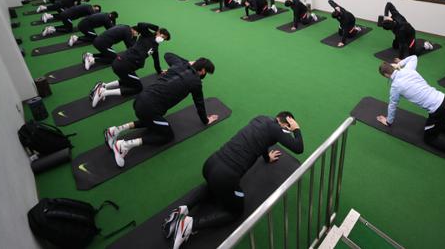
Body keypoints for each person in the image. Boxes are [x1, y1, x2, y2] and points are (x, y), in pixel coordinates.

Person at [161, 112, 304, 249]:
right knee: (236, 211)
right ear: (286, 124)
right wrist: (296, 129)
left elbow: (261, 142)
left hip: (211, 164)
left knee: (212, 186)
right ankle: (189, 224)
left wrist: (267, 158)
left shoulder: (261, 119)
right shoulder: (277, 129)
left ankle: (180, 211)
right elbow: (298, 148)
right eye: (287, 127)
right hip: (225, 177)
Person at [104, 54, 218, 168]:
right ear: (202, 71)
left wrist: (187, 62)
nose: (205, 74)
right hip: (149, 109)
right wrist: (206, 120)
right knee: (168, 136)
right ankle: (124, 146)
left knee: (153, 121)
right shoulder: (196, 83)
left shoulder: (179, 65)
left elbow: (168, 55)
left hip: (139, 100)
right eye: (206, 72)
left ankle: (115, 130)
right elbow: (199, 104)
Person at [376, 57, 445, 165]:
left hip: (439, 110)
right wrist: (401, 63)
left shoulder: (395, 87)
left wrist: (389, 121)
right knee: (438, 124)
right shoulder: (408, 69)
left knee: (429, 139)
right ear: (393, 66)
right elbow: (413, 57)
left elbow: (392, 105)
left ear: (386, 75)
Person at [90, 23, 171, 107]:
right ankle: (103, 92)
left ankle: (104, 85)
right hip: (124, 64)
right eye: (162, 36)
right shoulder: (147, 35)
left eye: (164, 39)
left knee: (129, 80)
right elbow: (141, 24)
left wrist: (160, 71)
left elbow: (156, 60)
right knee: (138, 88)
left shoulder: (155, 47)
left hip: (125, 66)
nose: (162, 39)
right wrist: (156, 27)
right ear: (158, 32)